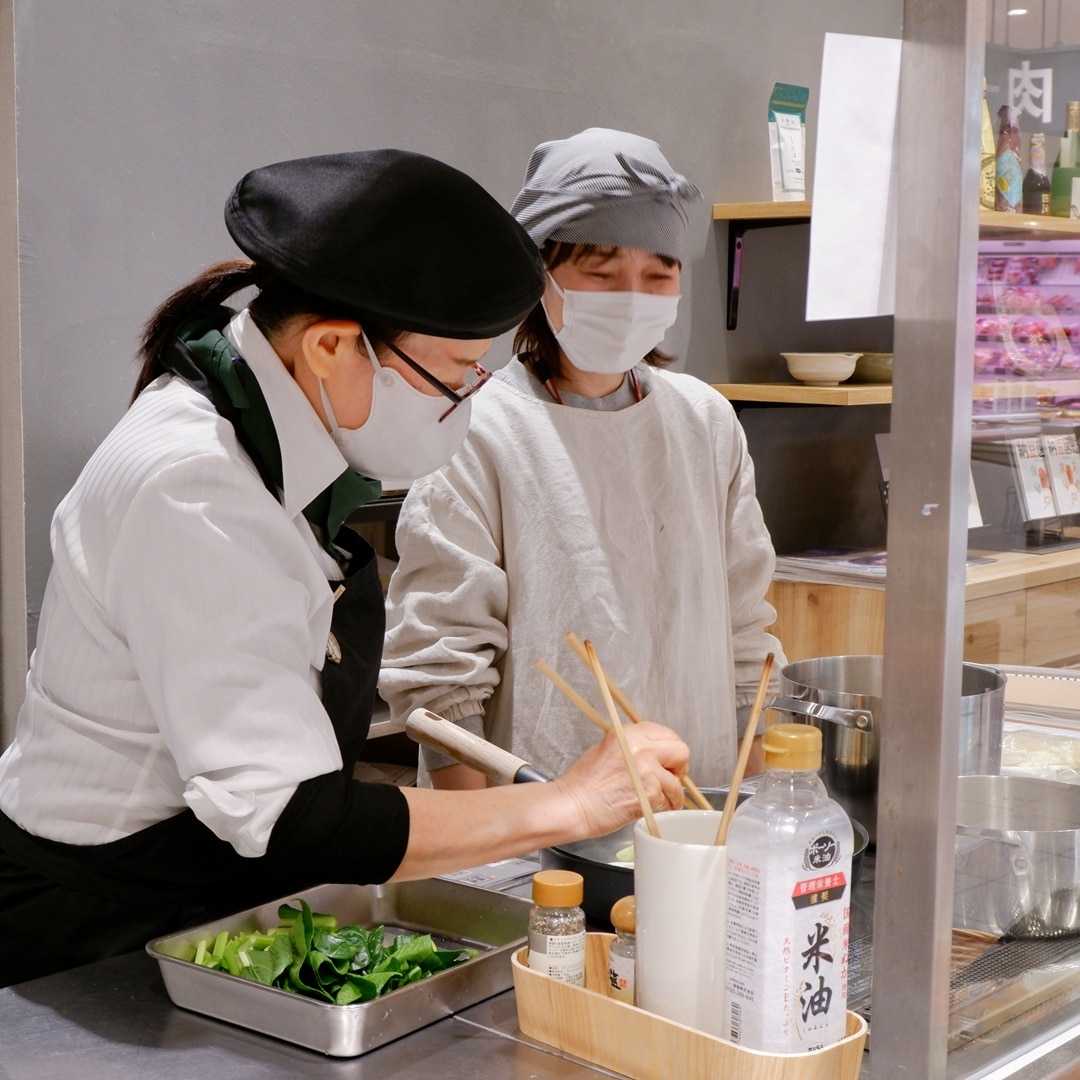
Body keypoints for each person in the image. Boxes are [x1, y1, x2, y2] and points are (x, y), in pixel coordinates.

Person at [0, 149, 690, 988]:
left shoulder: (261, 436)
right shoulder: (192, 484)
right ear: (331, 345)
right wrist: (572, 804)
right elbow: (289, 814)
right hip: (103, 928)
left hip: (208, 889)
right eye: (454, 379)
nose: (464, 407)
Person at [381, 128, 784, 791]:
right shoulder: (478, 429)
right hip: (539, 813)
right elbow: (441, 675)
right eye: (601, 273)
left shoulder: (704, 420)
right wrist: (489, 845)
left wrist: (753, 803)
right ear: (537, 275)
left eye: (659, 273)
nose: (632, 295)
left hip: (696, 797)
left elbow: (745, 629)